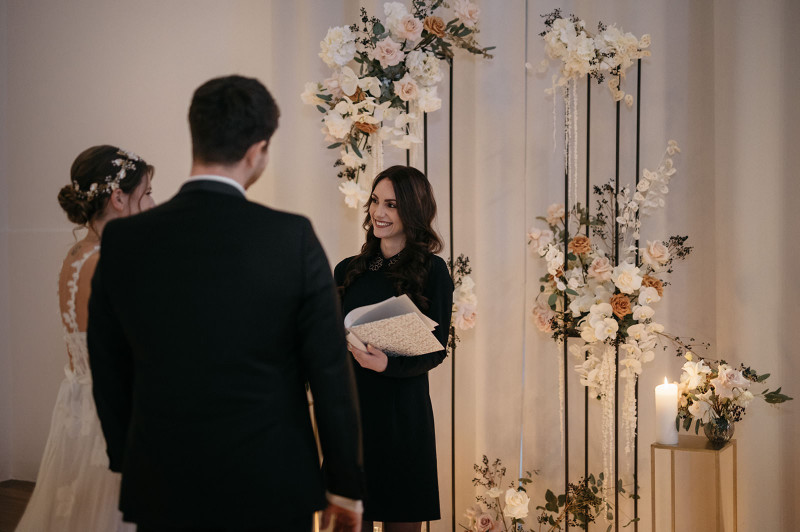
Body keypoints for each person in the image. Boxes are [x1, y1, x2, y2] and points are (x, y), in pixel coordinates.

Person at [87, 75, 364, 532]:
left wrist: (127, 457)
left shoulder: (124, 240)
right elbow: (330, 373)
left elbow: (108, 363)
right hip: (270, 482)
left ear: (196, 136)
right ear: (258, 150)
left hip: (163, 480)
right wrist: (344, 487)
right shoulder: (290, 237)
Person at [16, 145, 155, 532]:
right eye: (146, 193)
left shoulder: (78, 253)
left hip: (79, 401)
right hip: (114, 406)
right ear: (118, 197)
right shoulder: (108, 260)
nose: (152, 203)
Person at [333, 166, 454, 532]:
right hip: (354, 419)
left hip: (404, 419)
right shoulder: (346, 270)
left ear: (413, 211)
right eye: (374, 201)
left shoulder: (433, 271)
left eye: (392, 205)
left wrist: (387, 365)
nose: (378, 212)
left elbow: (436, 351)